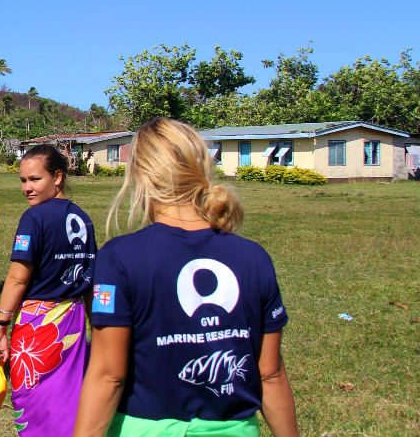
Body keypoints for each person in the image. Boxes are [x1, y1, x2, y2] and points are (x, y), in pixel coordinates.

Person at [75, 117, 298, 437]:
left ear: (141, 177)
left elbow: (109, 376)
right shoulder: (253, 258)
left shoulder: (120, 258)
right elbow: (271, 375)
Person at [0, 144, 97, 436]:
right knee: (69, 401)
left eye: (35, 180)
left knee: (33, 402)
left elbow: (18, 279)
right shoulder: (83, 218)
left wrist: (0, 327)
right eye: (23, 180)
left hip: (38, 324)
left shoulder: (34, 218)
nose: (27, 188)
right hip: (73, 324)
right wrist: (95, 327)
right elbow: (89, 278)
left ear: (57, 177)